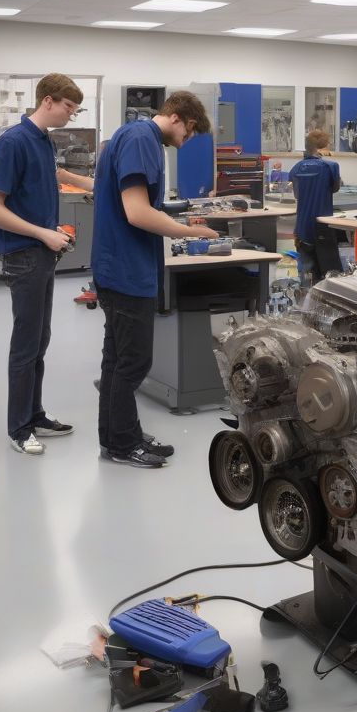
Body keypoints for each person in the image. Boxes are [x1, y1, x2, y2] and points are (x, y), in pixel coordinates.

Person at [91, 91, 218, 468]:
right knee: (133, 363)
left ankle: (119, 437)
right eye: (190, 135)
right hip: (125, 270)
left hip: (119, 266)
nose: (186, 143)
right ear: (185, 121)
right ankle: (121, 443)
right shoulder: (142, 140)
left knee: (117, 362)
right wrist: (190, 233)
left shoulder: (131, 136)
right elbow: (136, 212)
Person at [0, 73, 93, 456]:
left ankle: (36, 413)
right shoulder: (12, 142)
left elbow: (55, 175)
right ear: (47, 101)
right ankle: (19, 427)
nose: (70, 116)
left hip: (42, 252)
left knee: (40, 340)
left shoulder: (44, 141)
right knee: (26, 344)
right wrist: (43, 234)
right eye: (68, 108)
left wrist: (95, 183)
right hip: (24, 254)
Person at [289, 129, 341, 285]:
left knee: (306, 276)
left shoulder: (296, 169)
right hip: (323, 225)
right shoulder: (331, 167)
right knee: (329, 276)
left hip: (302, 227)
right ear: (323, 147)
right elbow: (335, 188)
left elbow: (297, 195)